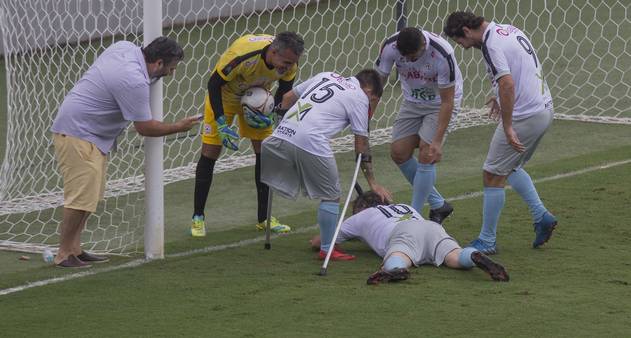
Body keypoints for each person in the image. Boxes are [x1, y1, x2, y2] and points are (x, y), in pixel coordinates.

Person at [50, 37, 200, 268]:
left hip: (91, 135)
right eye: (171, 68)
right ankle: (63, 253)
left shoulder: (124, 47)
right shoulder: (133, 80)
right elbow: (144, 128)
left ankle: (75, 249)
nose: (172, 73)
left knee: (89, 199)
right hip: (78, 133)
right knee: (79, 199)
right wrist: (178, 126)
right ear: (158, 63)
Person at [443, 11, 557, 254]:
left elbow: (507, 83)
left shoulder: (490, 44)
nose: (462, 47)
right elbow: (521, 69)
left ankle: (487, 240)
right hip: (544, 109)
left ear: (466, 31)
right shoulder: (509, 29)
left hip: (525, 116)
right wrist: (498, 97)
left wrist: (507, 125)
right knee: (511, 167)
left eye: (459, 41)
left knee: (492, 174)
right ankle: (541, 217)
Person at [261, 69, 393, 260]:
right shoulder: (360, 98)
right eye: (373, 101)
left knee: (318, 178)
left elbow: (288, 97)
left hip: (279, 136)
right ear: (370, 92)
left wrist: (281, 125)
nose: (371, 107)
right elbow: (361, 145)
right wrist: (373, 183)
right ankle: (327, 249)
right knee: (331, 195)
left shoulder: (327, 76)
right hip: (310, 141)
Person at [191, 32, 304, 237]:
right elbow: (214, 84)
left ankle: (264, 219)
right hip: (224, 97)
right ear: (273, 51)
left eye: (292, 63)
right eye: (286, 62)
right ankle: (198, 217)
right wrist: (220, 122)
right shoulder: (242, 55)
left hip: (257, 101)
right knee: (210, 152)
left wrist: (272, 114)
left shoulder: (290, 64)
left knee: (265, 152)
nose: (288, 67)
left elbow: (283, 92)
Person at [310, 191, 509, 284]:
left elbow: (323, 241)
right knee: (455, 257)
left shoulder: (360, 216)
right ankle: (473, 256)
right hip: (430, 227)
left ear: (360, 208)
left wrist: (316, 241)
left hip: (402, 233)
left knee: (398, 254)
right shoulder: (405, 206)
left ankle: (396, 269)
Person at [375, 27, 463, 223]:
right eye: (407, 57)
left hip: (440, 104)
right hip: (412, 102)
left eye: (414, 56)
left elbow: (447, 101)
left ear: (424, 45)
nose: (411, 61)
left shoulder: (442, 53)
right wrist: (366, 112)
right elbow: (378, 82)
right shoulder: (390, 46)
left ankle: (414, 215)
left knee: (427, 152)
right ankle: (439, 205)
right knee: (398, 152)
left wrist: (437, 142)